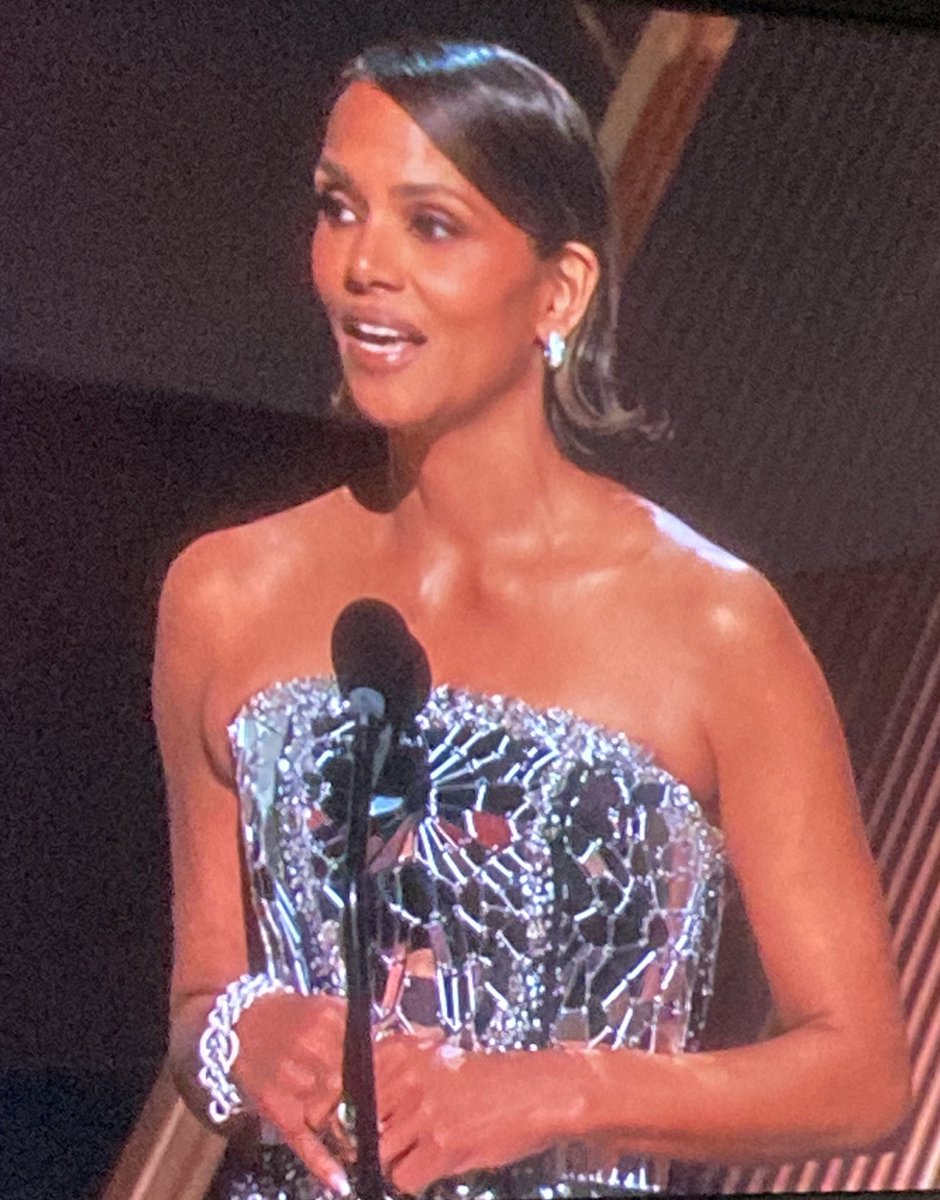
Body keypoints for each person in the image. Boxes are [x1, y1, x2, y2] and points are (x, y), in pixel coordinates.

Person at [153, 40, 911, 1200]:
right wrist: (243, 1038)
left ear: (557, 292)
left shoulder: (710, 624)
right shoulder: (223, 595)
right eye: (340, 208)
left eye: (431, 225)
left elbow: (859, 1074)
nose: (364, 266)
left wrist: (563, 1089)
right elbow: (200, 1002)